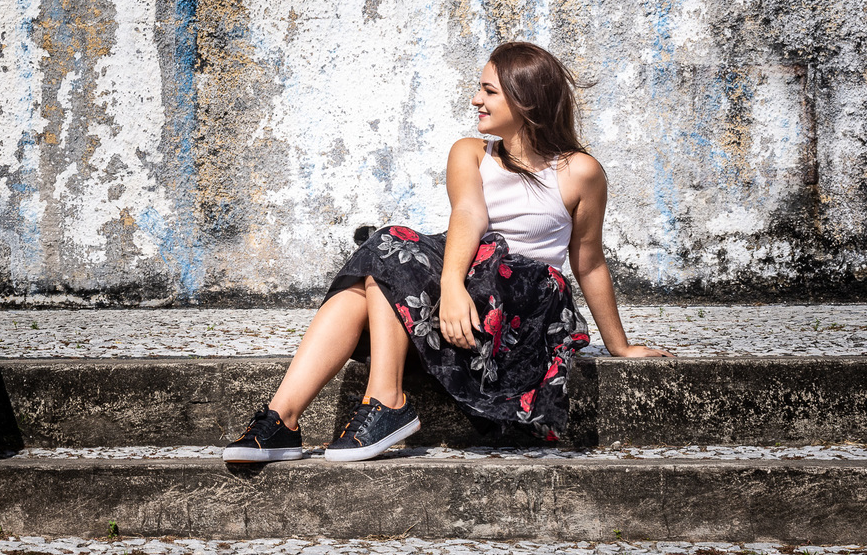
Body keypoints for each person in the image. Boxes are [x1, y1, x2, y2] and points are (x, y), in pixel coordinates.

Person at [223, 41, 673, 464]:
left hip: (518, 315)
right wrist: (452, 284)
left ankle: (386, 401)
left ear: (526, 101)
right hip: (462, 298)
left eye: (489, 90)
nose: (476, 99)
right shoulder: (469, 153)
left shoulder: (580, 172)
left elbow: (588, 260)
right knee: (385, 253)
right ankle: (283, 418)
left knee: (389, 254)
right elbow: (468, 214)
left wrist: (620, 345)